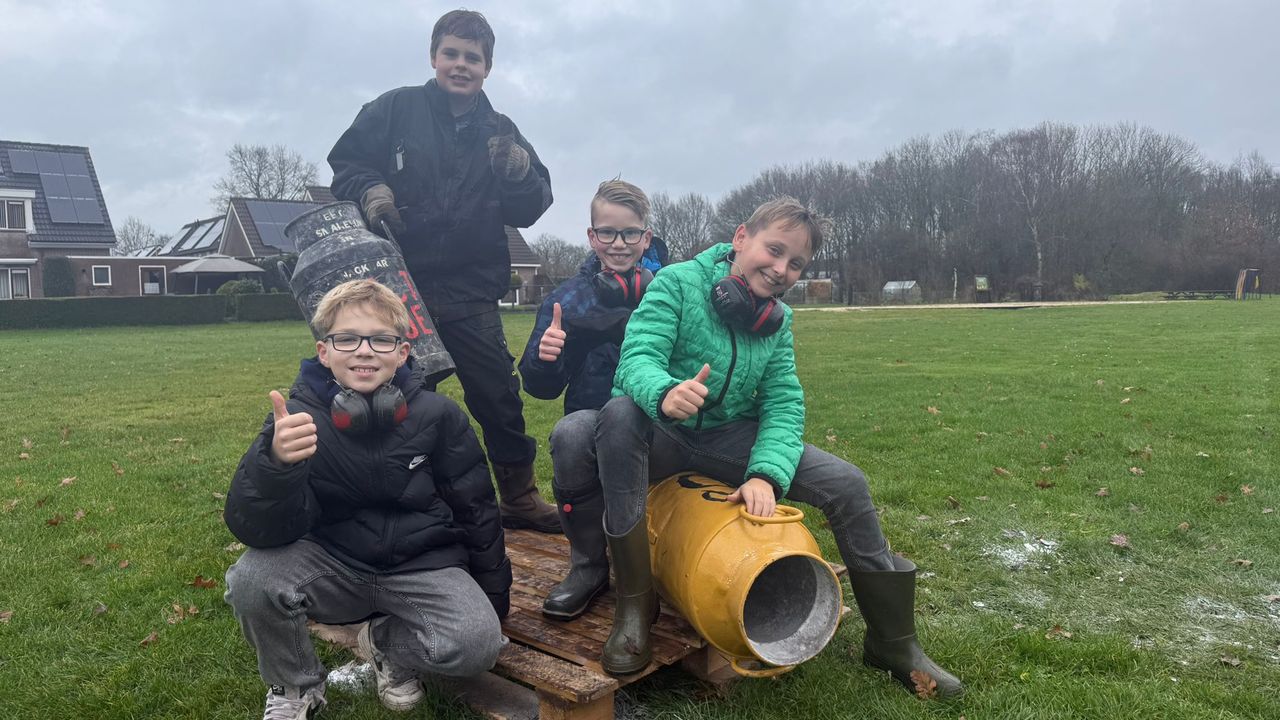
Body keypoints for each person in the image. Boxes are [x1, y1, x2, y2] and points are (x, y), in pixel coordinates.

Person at [592, 198, 964, 696]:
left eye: (797, 264)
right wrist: (665, 392)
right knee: (615, 414)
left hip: (726, 440)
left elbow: (784, 404)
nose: (782, 269)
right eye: (774, 250)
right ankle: (635, 607)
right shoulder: (677, 283)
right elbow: (636, 357)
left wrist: (765, 473)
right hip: (664, 435)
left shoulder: (778, 320)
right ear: (741, 237)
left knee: (847, 483)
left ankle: (893, 642)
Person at [223, 279, 511, 719]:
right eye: (347, 338)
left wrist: (491, 606)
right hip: (334, 560)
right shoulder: (296, 420)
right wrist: (276, 463)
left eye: (381, 339)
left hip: (423, 563)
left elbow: (477, 509)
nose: (364, 350)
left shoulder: (440, 415)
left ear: (402, 351)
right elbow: (256, 529)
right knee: (251, 579)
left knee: (477, 647)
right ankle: (297, 686)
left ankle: (385, 644)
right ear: (324, 351)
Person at [328, 9, 559, 533]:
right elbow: (346, 162)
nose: (460, 65)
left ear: (488, 67)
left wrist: (519, 173)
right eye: (451, 53)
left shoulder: (501, 130)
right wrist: (369, 188)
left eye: (472, 58)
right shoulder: (394, 110)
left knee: (498, 393)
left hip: (471, 287)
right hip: (399, 287)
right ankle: (401, 500)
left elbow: (532, 204)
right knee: (399, 396)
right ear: (434, 57)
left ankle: (519, 497)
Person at [516, 179, 667, 619]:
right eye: (607, 232)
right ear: (591, 236)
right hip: (591, 429)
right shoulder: (566, 300)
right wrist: (546, 358)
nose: (618, 244)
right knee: (568, 434)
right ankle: (587, 566)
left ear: (646, 237)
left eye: (630, 233)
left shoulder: (673, 290)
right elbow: (539, 387)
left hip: (663, 423)